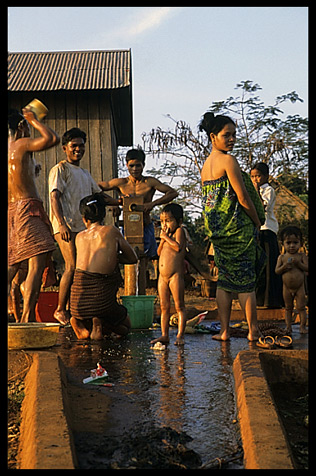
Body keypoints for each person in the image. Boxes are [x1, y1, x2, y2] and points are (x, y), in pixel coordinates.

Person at [199, 112, 266, 341]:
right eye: (226, 135)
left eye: (234, 135)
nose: (232, 139)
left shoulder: (205, 166)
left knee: (225, 282)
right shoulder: (228, 161)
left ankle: (225, 331)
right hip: (238, 232)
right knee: (246, 282)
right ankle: (253, 330)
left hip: (218, 234)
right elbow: (243, 197)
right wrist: (257, 223)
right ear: (212, 136)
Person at [49, 127, 118, 325]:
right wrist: (61, 224)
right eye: (74, 146)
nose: (78, 149)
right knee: (71, 267)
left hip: (84, 228)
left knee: (83, 270)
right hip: (66, 226)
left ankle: (76, 310)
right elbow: (54, 197)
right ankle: (60, 310)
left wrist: (121, 202)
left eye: (81, 146)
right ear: (65, 148)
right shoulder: (59, 169)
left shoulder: (85, 174)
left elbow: (100, 197)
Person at [8, 108, 59, 322]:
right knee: (36, 263)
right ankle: (27, 317)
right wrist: (34, 121)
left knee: (12, 264)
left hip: (11, 211)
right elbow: (52, 139)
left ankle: (23, 315)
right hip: (26, 208)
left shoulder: (11, 150)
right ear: (20, 126)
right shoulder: (21, 145)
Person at [69, 193, 138, 340]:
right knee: (126, 327)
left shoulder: (79, 237)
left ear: (84, 218)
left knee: (92, 308)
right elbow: (133, 258)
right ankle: (99, 323)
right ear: (103, 214)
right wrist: (114, 257)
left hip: (76, 302)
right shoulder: (111, 231)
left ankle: (82, 321)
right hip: (102, 302)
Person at [98, 148, 178, 258]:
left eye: (138, 165)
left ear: (143, 165)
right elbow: (96, 187)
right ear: (126, 165)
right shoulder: (121, 183)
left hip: (146, 225)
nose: (135, 169)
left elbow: (172, 193)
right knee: (127, 259)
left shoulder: (150, 182)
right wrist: (114, 203)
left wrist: (152, 204)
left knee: (149, 258)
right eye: (131, 166)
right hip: (127, 228)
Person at [150, 203, 187, 346]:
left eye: (169, 220)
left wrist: (165, 237)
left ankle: (180, 335)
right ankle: (164, 335)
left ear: (179, 221)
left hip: (175, 276)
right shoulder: (166, 236)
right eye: (163, 221)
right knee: (164, 307)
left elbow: (178, 247)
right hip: (162, 277)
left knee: (179, 306)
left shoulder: (179, 231)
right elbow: (159, 253)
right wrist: (162, 239)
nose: (165, 224)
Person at [250, 162, 283, 308]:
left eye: (258, 176)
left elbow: (263, 207)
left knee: (270, 266)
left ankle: (271, 301)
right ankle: (259, 300)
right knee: (259, 266)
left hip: (267, 229)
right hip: (256, 231)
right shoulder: (250, 190)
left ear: (265, 176)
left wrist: (257, 191)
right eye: (252, 176)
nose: (255, 179)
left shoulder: (268, 190)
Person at [275, 225, 308, 334]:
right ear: (283, 244)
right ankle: (288, 327)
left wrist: (299, 264)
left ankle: (302, 326)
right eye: (288, 243)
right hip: (287, 288)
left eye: (295, 242)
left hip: (299, 287)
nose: (292, 246)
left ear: (300, 243)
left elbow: (307, 269)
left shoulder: (302, 256)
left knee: (301, 308)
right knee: (288, 308)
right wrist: (284, 267)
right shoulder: (282, 257)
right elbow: (277, 271)